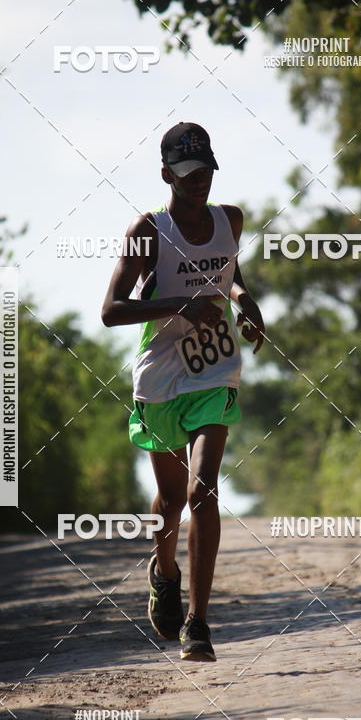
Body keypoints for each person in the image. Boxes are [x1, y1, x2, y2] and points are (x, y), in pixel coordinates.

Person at [101, 122, 264, 662]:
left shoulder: (230, 220)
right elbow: (110, 311)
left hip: (213, 370)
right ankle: (163, 571)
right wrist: (178, 306)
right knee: (171, 501)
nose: (200, 183)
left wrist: (243, 299)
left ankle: (199, 623)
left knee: (204, 491)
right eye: (189, 174)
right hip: (162, 376)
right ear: (167, 174)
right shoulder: (149, 230)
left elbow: (225, 267)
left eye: (207, 171)